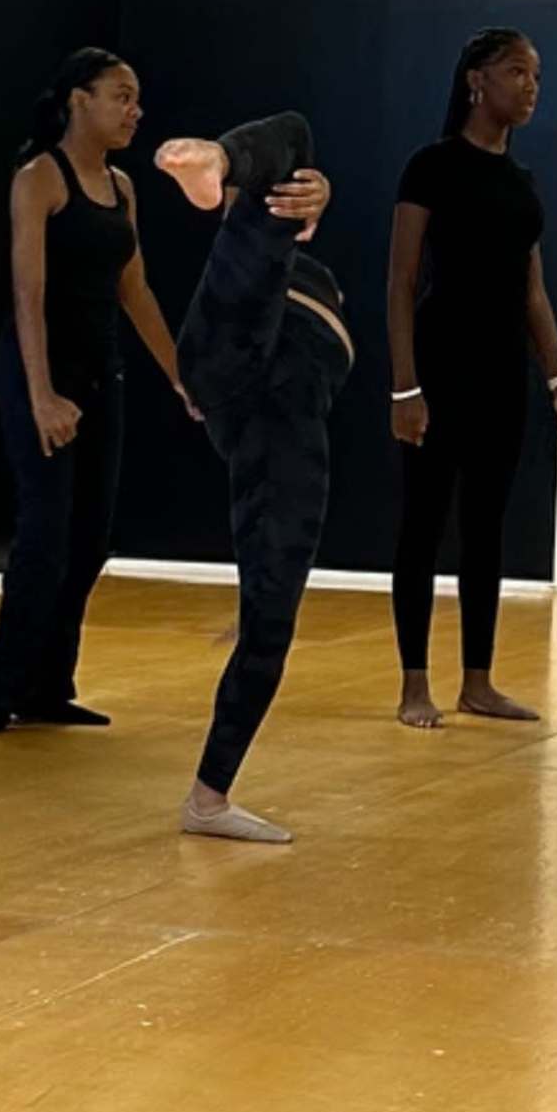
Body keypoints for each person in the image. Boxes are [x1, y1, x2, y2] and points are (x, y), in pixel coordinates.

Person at [0, 45, 186, 735]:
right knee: (45, 534)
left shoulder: (123, 188)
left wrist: (183, 376)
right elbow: (27, 296)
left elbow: (135, 289)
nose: (135, 111)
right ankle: (2, 686)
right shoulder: (40, 179)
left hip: (101, 375)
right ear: (78, 101)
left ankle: (49, 685)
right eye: (121, 95)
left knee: (91, 537)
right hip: (38, 372)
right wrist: (40, 396)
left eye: (137, 98)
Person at [386, 25, 557, 730]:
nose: (531, 86)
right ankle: (415, 682)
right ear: (477, 79)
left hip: (503, 374)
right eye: (516, 72)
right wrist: (405, 388)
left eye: (535, 75)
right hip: (441, 367)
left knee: (486, 529)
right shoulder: (432, 167)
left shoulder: (521, 183)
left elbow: (533, 292)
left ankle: (478, 680)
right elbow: (402, 279)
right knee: (422, 527)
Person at [157, 113, 344, 847]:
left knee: (272, 616)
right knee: (298, 127)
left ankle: (208, 798)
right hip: (247, 371)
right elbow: (291, 146)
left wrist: (312, 199)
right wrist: (234, 173)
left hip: (269, 408)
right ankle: (217, 161)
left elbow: (292, 188)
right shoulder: (257, 246)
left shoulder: (283, 232)